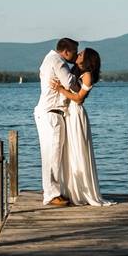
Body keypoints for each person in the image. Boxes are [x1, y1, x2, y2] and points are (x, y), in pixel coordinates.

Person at [50, 48, 113, 206]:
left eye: (81, 54)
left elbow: (78, 99)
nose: (77, 55)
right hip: (68, 113)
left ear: (87, 60)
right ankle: (71, 190)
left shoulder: (87, 76)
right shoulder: (75, 72)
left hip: (76, 114)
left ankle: (83, 192)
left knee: (78, 149)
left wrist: (61, 90)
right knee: (69, 151)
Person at [34, 38, 79, 206]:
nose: (75, 55)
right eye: (74, 52)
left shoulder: (48, 59)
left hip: (46, 113)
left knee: (50, 154)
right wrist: (77, 76)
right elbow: (71, 84)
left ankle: (53, 191)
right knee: (52, 154)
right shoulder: (58, 61)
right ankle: (52, 194)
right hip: (52, 113)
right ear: (66, 51)